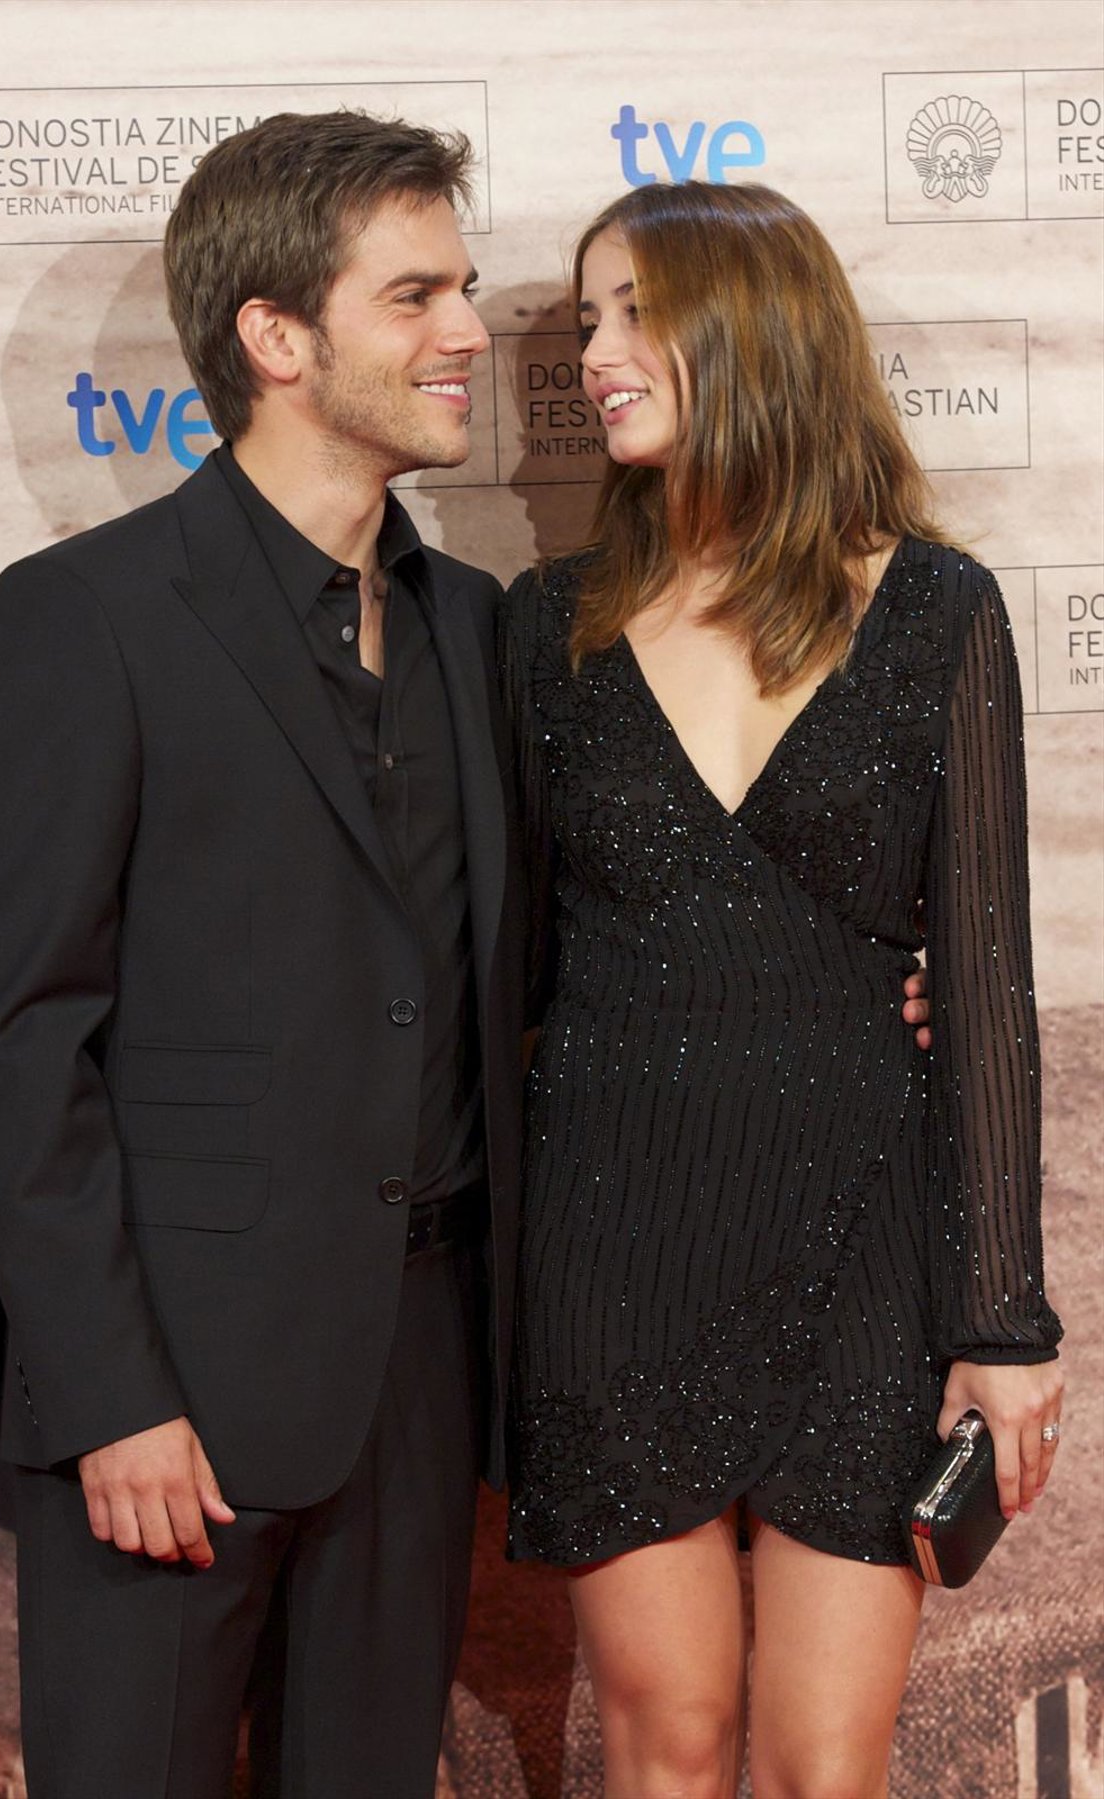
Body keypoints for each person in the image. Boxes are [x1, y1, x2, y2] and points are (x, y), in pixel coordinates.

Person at [0, 110, 526, 1799]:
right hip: (169, 1396)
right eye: (416, 296)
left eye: (465, 288)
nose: (471, 332)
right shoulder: (86, 616)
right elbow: (22, 1038)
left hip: (421, 1380)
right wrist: (108, 1395)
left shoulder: (476, 624)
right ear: (276, 336)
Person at [501, 180, 1064, 1799]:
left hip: (867, 1242)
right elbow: (505, 969)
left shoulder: (938, 610)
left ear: (755, 330)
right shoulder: (547, 630)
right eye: (586, 317)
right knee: (666, 1745)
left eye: (635, 312)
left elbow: (989, 984)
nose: (595, 354)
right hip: (614, 1242)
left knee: (827, 1763)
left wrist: (1004, 1319)